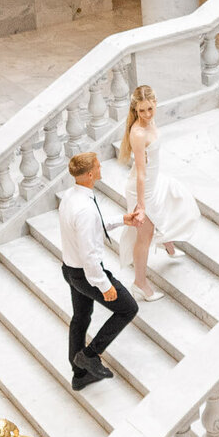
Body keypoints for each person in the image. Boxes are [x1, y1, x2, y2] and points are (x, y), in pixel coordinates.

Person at [58, 151, 139, 390]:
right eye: (98, 165)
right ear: (91, 173)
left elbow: (90, 228)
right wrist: (105, 285)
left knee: (80, 318)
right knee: (128, 309)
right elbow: (90, 254)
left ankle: (79, 375)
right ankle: (90, 355)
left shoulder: (71, 197)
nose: (102, 167)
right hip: (86, 273)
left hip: (71, 270)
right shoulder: (84, 209)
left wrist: (121, 220)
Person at [118, 84, 200, 301]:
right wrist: (142, 205)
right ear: (135, 110)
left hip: (154, 181)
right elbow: (141, 173)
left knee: (175, 200)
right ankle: (139, 283)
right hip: (142, 189)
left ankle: (169, 245)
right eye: (141, 111)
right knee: (144, 237)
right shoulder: (137, 132)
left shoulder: (151, 121)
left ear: (155, 103)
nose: (146, 115)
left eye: (150, 109)